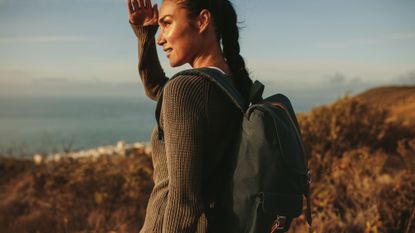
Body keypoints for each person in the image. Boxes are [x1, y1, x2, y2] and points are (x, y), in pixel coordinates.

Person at [127, 0, 253, 232]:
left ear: (202, 21)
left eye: (166, 24)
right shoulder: (233, 84)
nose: (160, 38)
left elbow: (184, 201)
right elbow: (158, 90)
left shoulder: (186, 89)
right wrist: (145, 34)